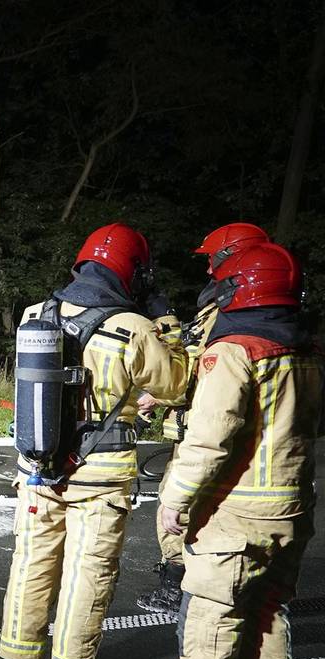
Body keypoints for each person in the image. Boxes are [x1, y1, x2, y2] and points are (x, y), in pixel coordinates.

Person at [0, 223, 189, 659]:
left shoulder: (35, 314)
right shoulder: (134, 329)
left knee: (31, 564)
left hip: (37, 465)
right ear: (133, 274)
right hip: (99, 475)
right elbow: (177, 386)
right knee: (88, 575)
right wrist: (165, 320)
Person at [138, 243, 323, 659]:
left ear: (238, 288)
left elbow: (208, 439)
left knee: (214, 610)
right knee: (268, 611)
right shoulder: (310, 348)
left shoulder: (234, 350)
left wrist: (174, 500)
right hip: (294, 508)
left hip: (236, 511)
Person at [136, 223, 270, 618]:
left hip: (206, 430)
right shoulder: (242, 311)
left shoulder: (226, 315)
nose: (209, 270)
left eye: (214, 260)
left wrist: (156, 394)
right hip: (226, 434)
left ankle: (177, 588)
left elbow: (193, 373)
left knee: (177, 508)